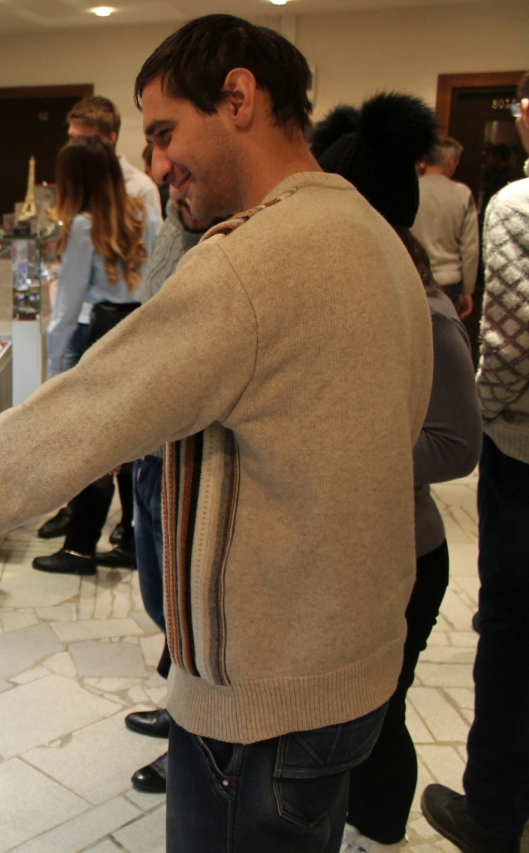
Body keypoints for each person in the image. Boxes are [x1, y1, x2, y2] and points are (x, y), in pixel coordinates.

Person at [0, 15, 432, 851]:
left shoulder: (255, 262)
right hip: (353, 681)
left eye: (167, 133)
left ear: (239, 98)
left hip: (264, 711)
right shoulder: (375, 235)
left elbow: (61, 433)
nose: (158, 165)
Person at [304, 93, 483, 853]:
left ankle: (378, 833)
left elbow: (457, 444)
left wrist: (343, 452)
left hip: (404, 554)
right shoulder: (342, 293)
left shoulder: (427, 311)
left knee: (380, 713)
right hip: (345, 552)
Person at [422, 72, 529, 853]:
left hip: (525, 449)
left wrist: (478, 414)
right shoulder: (469, 198)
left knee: (513, 626)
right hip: (447, 290)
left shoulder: (516, 205)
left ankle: (493, 808)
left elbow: (510, 347)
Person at [122, 187, 220, 796]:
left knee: (190, 614)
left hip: (190, 458)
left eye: (167, 142)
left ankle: (191, 741)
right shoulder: (177, 219)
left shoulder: (231, 236)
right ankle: (179, 710)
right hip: (154, 452)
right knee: (163, 603)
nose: (162, 168)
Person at [37, 95, 164, 545]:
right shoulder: (143, 213)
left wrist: (54, 371)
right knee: (128, 438)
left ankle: (81, 542)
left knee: (85, 442)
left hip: (98, 333)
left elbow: (66, 311)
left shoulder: (86, 226)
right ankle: (128, 532)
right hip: (138, 330)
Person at [411, 136, 479, 318]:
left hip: (411, 276)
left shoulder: (410, 189)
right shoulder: (462, 194)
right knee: (444, 333)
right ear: (451, 161)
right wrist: (468, 290)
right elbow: (470, 248)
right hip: (448, 280)